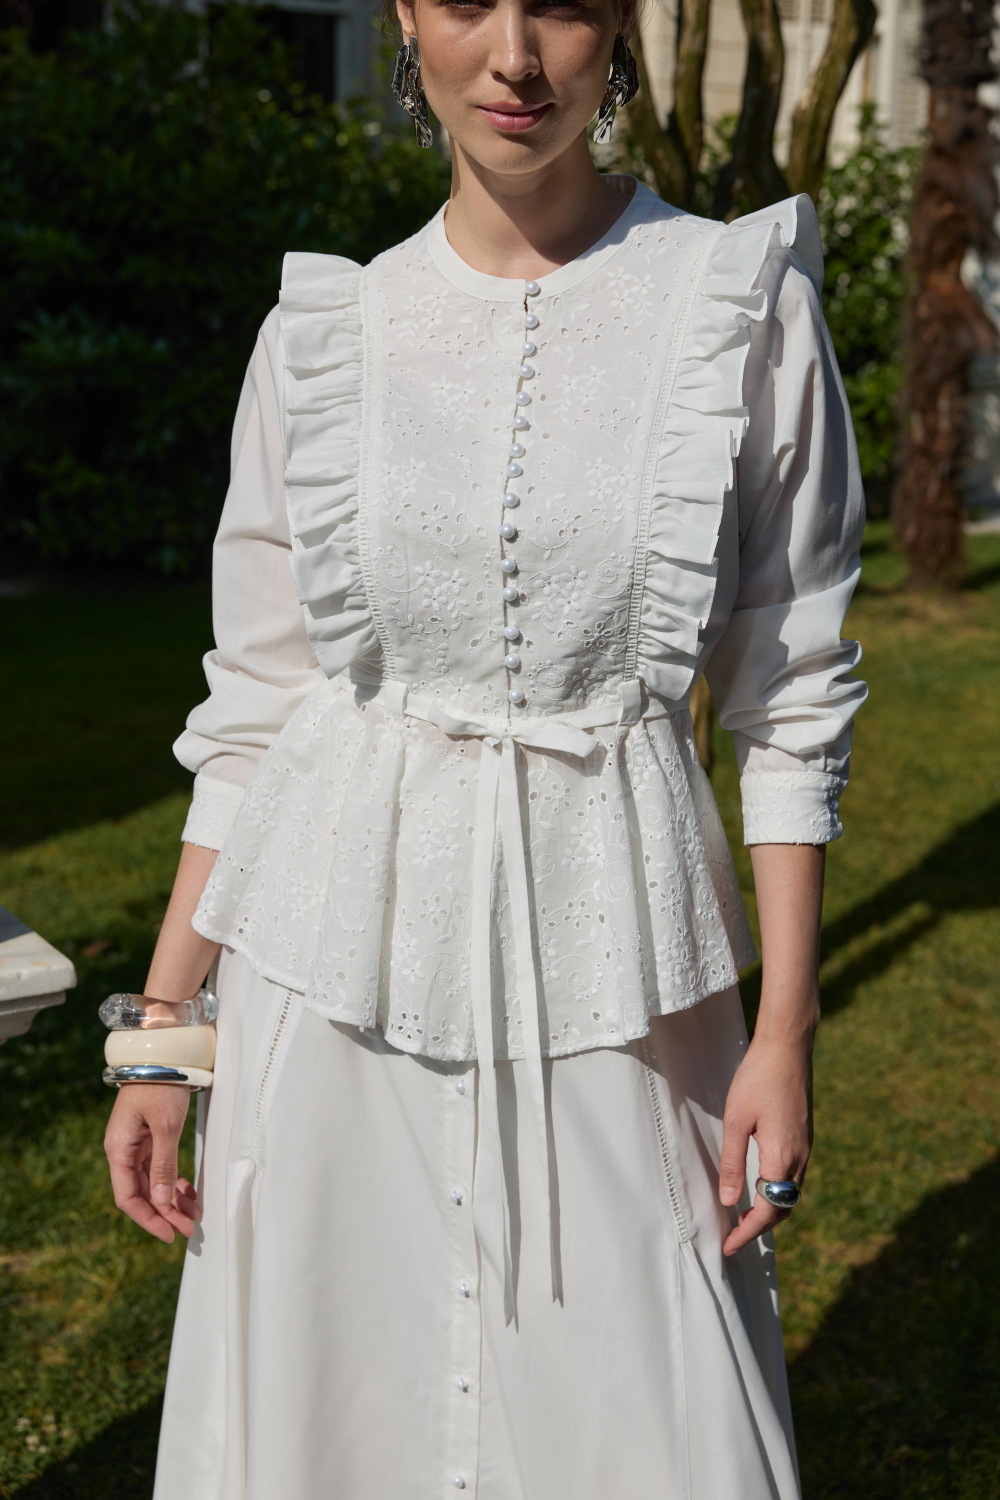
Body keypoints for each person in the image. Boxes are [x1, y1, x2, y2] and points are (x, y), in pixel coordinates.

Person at [103, 0, 866, 1492]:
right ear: (404, 16)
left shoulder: (738, 308)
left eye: (562, 4)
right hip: (330, 984)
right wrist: (165, 1036)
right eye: (466, 4)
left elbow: (791, 696)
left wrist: (783, 1029)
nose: (514, 57)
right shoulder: (323, 341)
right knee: (335, 1406)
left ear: (622, 21)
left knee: (641, 1405)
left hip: (615, 977)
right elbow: (256, 711)